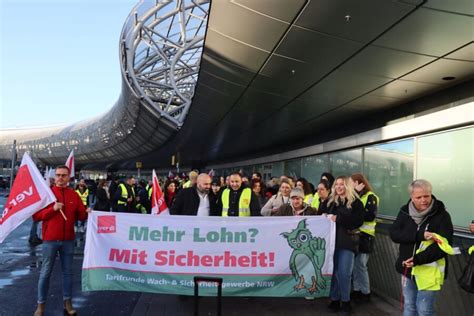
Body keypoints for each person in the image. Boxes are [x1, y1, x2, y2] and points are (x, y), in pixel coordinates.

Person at [390, 179, 453, 316]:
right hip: (407, 269)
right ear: (411, 197)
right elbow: (394, 234)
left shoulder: (442, 215)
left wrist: (417, 259)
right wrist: (419, 235)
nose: (424, 200)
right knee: (409, 307)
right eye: (419, 197)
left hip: (429, 273)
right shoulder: (404, 211)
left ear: (431, 194)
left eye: (427, 196)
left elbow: (443, 246)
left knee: (424, 310)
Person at [32, 165, 89, 316]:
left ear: (69, 177)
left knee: (68, 273)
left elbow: (81, 216)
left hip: (68, 240)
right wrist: (53, 209)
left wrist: (87, 211)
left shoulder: (73, 195)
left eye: (64, 175)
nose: (60, 178)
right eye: (58, 175)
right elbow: (36, 216)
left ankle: (68, 302)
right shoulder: (48, 194)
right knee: (45, 273)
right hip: (50, 240)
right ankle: (41, 305)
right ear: (54, 176)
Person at [326, 176, 364, 314]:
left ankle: (346, 302)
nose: (339, 187)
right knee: (334, 272)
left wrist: (338, 219)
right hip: (331, 243)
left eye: (342, 184)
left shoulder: (356, 203)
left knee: (344, 273)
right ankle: (335, 300)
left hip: (348, 243)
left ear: (347, 186)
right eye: (337, 185)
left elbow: (358, 221)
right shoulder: (331, 202)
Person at [350, 173, 379, 303]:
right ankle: (357, 290)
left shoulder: (370, 197)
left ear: (359, 183)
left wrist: (356, 216)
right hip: (355, 235)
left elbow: (370, 216)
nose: (350, 186)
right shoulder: (355, 196)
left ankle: (366, 292)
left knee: (361, 265)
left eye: (352, 183)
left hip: (365, 236)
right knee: (355, 265)